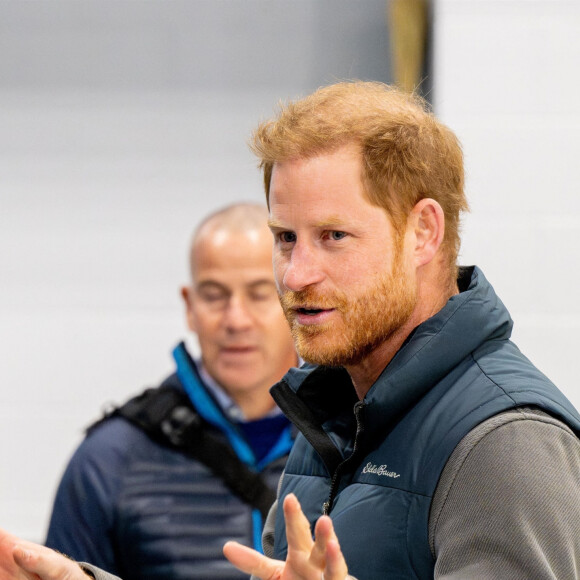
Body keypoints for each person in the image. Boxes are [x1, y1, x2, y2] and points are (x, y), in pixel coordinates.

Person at [2, 81, 580, 580]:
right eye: (286, 238)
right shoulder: (330, 417)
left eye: (333, 236)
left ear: (423, 232)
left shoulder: (504, 443)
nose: (296, 275)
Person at [43, 202, 299, 580]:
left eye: (260, 294)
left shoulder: (356, 441)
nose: (236, 319)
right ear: (189, 306)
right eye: (214, 295)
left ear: (294, 300)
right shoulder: (108, 461)